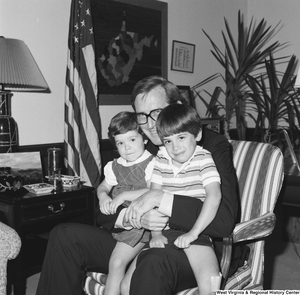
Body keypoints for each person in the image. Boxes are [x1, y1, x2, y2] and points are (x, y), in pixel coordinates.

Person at [36, 75, 239, 295]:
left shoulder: (210, 146)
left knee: (151, 259)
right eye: (142, 116)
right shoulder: (139, 148)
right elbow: (103, 214)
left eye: (157, 113)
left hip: (190, 247)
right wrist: (135, 217)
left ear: (177, 107)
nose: (151, 125)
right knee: (64, 234)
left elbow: (224, 221)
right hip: (134, 240)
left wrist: (161, 200)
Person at [122, 103, 222, 295]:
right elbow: (153, 199)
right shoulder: (160, 161)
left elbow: (214, 195)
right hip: (165, 231)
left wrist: (193, 233)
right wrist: (156, 234)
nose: (175, 147)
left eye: (181, 137)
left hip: (197, 233)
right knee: (126, 286)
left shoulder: (204, 159)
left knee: (210, 285)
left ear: (198, 135)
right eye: (168, 141)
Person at [97, 111, 155, 295]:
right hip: (116, 224)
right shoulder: (114, 165)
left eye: (132, 140)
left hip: (139, 224)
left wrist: (123, 196)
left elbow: (152, 191)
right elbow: (102, 187)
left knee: (116, 262)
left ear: (144, 138)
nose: (126, 147)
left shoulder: (153, 163)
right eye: (120, 143)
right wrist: (103, 196)